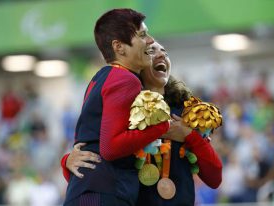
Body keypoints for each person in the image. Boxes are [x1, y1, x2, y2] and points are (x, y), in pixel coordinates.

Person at [61, 42, 222, 205]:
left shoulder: (186, 112)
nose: (161, 55)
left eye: (165, 52)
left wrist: (189, 136)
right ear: (137, 64)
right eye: (151, 51)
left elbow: (215, 178)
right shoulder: (122, 112)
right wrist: (67, 161)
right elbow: (101, 154)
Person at [63, 9, 170, 206]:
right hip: (104, 192)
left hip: (91, 190)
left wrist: (66, 162)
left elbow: (90, 138)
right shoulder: (125, 79)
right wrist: (162, 127)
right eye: (142, 35)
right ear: (119, 47)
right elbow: (110, 147)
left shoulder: (100, 77)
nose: (150, 40)